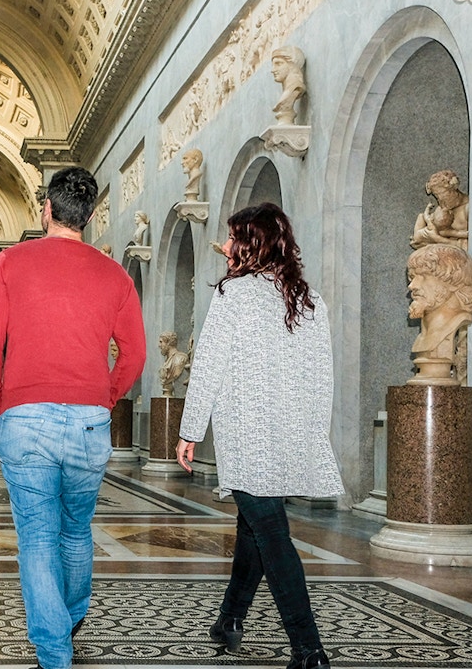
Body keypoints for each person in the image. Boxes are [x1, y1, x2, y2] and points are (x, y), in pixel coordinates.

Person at [0, 166, 146, 669]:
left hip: (24, 417)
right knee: (76, 531)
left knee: (37, 537)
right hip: (91, 422)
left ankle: (54, 653)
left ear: (46, 209)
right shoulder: (114, 275)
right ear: (90, 217)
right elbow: (133, 354)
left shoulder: (7, 264)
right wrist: (104, 397)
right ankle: (70, 618)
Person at [176, 203, 342, 669]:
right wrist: (314, 433)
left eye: (233, 238)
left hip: (249, 437)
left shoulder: (233, 293)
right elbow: (322, 375)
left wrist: (189, 431)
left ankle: (308, 649)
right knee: (254, 527)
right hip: (290, 435)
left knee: (271, 533)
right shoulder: (308, 297)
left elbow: (206, 367)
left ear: (252, 242)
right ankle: (229, 619)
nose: (225, 247)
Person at [407, 243, 472, 385]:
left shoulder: (455, 324)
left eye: (423, 276)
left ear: (453, 280)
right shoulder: (423, 337)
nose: (412, 286)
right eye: (412, 277)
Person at [411, 170, 469, 251]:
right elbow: (418, 243)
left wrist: (438, 239)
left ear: (454, 189)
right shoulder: (441, 210)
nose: (440, 199)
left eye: (443, 194)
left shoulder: (469, 209)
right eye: (437, 196)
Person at [271, 45, 307, 125]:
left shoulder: (296, 89)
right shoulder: (286, 94)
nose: (272, 70)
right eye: (273, 65)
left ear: (292, 65)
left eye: (278, 64)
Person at [157, 331, 190, 397]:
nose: (159, 345)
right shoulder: (167, 360)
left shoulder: (180, 359)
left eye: (161, 342)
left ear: (168, 343)